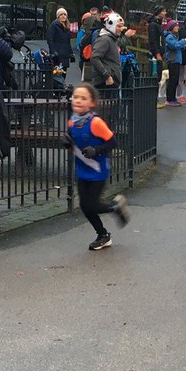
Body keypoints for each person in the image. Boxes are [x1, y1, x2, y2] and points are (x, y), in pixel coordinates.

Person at [62, 82, 130, 250]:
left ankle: (116, 207)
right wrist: (66, 142)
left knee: (91, 204)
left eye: (83, 98)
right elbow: (73, 142)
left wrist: (97, 150)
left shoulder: (96, 122)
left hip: (98, 171)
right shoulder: (72, 122)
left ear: (91, 103)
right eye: (75, 97)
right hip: (82, 169)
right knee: (85, 207)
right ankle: (103, 235)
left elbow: (113, 142)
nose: (78, 100)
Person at [88, 11, 124, 95]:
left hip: (110, 82)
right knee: (105, 107)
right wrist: (107, 76)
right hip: (105, 84)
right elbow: (95, 58)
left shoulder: (112, 39)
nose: (121, 29)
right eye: (118, 26)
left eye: (121, 26)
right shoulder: (105, 39)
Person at [163, 19, 186, 107]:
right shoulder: (169, 37)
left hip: (176, 60)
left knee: (175, 80)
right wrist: (183, 41)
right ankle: (169, 99)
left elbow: (177, 46)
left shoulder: (174, 36)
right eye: (176, 26)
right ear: (171, 27)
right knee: (172, 80)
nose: (177, 27)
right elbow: (174, 46)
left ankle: (173, 98)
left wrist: (182, 46)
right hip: (173, 61)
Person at [148, 7, 167, 77]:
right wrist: (157, 53)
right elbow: (152, 40)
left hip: (161, 53)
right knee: (155, 75)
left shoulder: (159, 25)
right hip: (155, 55)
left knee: (159, 76)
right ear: (158, 13)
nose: (165, 13)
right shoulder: (153, 25)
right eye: (163, 11)